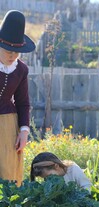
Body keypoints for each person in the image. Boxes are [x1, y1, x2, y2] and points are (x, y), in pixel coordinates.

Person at [0, 10, 36, 186]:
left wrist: (23, 131)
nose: (12, 56)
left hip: (8, 125)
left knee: (8, 173)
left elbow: (23, 102)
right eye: (8, 51)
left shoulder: (21, 69)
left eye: (16, 52)